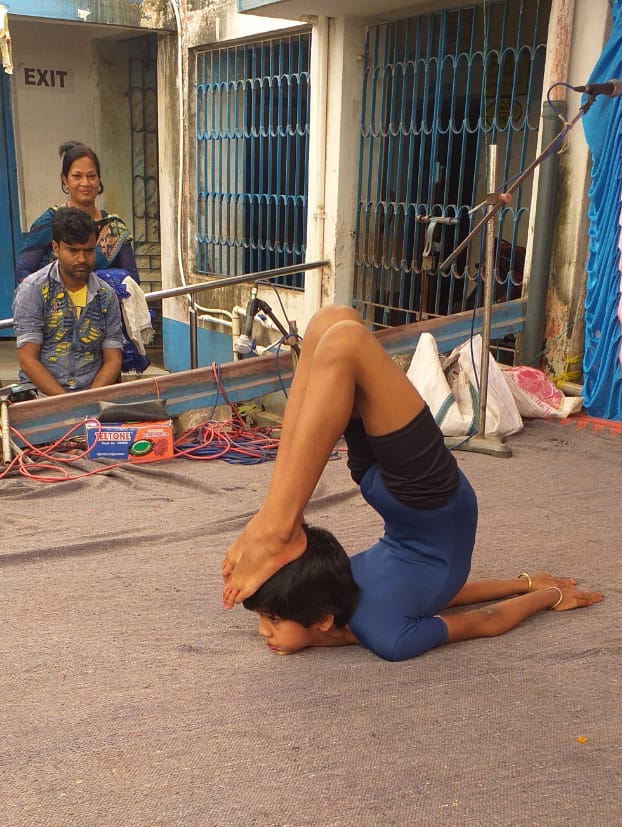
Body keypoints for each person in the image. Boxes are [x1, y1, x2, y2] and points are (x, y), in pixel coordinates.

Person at [221, 306, 602, 659]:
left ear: (322, 618)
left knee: (329, 323)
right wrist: (536, 588)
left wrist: (540, 591)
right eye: (267, 618)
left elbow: (460, 605)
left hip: (395, 493)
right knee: (343, 341)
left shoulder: (359, 612)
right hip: (426, 502)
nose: (263, 631)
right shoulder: (363, 614)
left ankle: (276, 521)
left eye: (272, 619)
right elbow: (462, 606)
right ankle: (277, 520)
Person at [13, 207, 123, 396]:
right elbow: (27, 360)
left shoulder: (106, 296)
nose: (82, 259)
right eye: (73, 251)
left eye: (88, 251)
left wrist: (89, 399)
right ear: (56, 248)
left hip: (92, 396)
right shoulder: (33, 290)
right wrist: (67, 403)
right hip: (40, 397)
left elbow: (113, 359)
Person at [15, 141, 139, 285]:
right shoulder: (51, 221)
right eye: (77, 176)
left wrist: (105, 283)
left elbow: (132, 281)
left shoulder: (114, 229)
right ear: (65, 180)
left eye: (91, 176)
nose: (85, 183)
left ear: (99, 179)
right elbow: (23, 271)